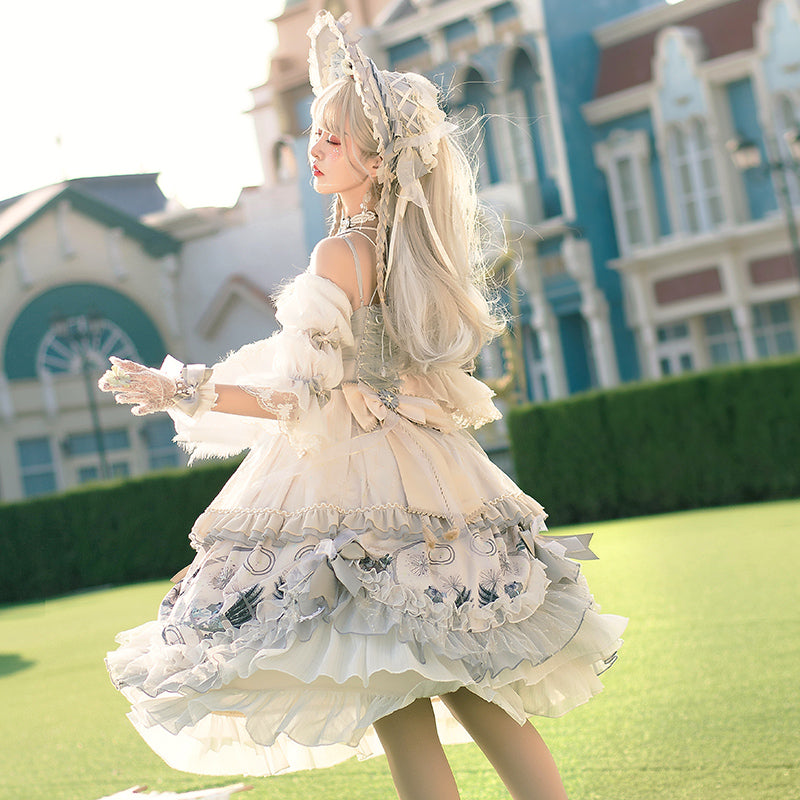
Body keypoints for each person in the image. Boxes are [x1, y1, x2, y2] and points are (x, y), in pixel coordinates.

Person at [99, 11, 626, 800]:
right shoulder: (410, 256)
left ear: (379, 162)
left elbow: (298, 396)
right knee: (478, 690)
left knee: (401, 698)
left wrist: (183, 388)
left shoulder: (340, 253)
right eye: (315, 132)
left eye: (334, 139)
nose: (315, 148)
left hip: (351, 494)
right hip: (432, 480)